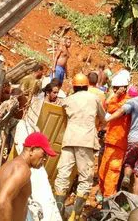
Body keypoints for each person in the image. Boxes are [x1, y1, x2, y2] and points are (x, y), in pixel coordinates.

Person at [54, 73, 105, 220]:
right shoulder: (94, 98)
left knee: (63, 175)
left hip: (69, 140)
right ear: (87, 86)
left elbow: (56, 111)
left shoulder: (68, 99)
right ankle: (75, 215)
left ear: (75, 86)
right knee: (85, 178)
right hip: (86, 142)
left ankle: (58, 211)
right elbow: (103, 118)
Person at [0, 132, 56, 221]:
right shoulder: (23, 169)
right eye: (44, 154)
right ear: (32, 150)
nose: (45, 159)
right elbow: (1, 202)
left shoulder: (8, 165)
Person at [99, 74, 130, 198]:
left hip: (119, 143)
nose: (115, 91)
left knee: (112, 173)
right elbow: (108, 105)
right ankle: (102, 195)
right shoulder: (117, 99)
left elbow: (112, 108)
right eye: (114, 89)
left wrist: (116, 95)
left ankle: (108, 200)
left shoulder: (127, 101)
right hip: (110, 141)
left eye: (117, 88)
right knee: (103, 171)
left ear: (124, 88)